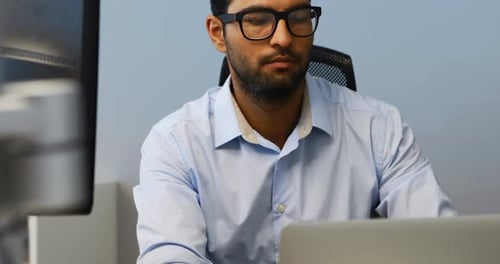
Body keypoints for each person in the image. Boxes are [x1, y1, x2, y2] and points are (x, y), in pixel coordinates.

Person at [133, 0, 456, 263]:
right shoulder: (175, 143)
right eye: (258, 19)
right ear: (218, 33)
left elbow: (439, 246)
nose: (283, 38)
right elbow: (171, 257)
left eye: (298, 16)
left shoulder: (378, 128)